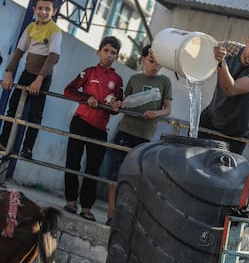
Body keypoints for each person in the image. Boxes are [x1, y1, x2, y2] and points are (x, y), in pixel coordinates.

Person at [106, 45, 172, 225]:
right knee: (115, 172)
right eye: (151, 61)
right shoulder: (135, 79)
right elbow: (125, 102)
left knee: (137, 175)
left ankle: (127, 214)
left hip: (144, 136)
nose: (154, 66)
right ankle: (111, 213)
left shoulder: (164, 82)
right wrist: (118, 104)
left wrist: (155, 113)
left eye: (158, 63)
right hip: (126, 130)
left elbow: (167, 109)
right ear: (143, 60)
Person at [63, 36, 123, 222]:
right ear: (98, 52)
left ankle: (87, 207)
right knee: (73, 162)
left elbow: (117, 107)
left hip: (100, 128)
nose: (109, 55)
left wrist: (116, 106)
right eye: (106, 50)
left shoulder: (117, 79)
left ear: (116, 57)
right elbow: (69, 90)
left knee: (93, 169)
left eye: (113, 53)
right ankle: (71, 201)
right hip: (81, 122)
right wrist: (86, 97)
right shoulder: (88, 72)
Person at [0, 0, 62, 159]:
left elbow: (52, 58)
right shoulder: (30, 28)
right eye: (40, 8)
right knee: (13, 107)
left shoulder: (55, 31)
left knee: (35, 114)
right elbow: (19, 52)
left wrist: (39, 80)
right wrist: (9, 73)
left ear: (54, 11)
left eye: (47, 9)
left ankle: (27, 148)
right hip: (27, 74)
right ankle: (3, 141)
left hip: (43, 77)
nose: (43, 12)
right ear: (34, 9)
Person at [199, 25, 249, 154]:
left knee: (223, 171)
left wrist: (221, 63)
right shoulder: (230, 48)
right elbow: (202, 47)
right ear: (247, 41)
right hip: (211, 119)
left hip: (235, 132)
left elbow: (231, 90)